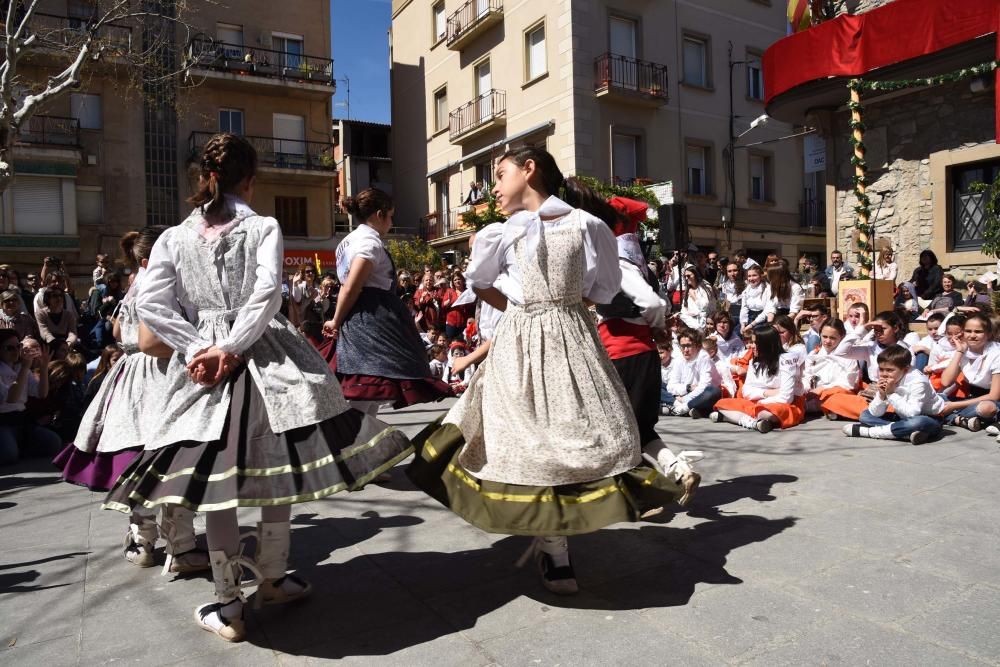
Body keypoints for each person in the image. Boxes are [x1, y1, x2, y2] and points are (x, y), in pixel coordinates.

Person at [104, 134, 412, 642]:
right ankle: (271, 576)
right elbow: (268, 293)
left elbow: (151, 306)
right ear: (250, 180)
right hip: (264, 356)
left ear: (205, 178)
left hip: (206, 362)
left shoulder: (172, 238)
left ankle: (229, 604)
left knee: (218, 484)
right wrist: (232, 345)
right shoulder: (263, 225)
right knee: (278, 467)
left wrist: (200, 347)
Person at [407, 146, 691, 595]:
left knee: (574, 434)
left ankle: (558, 537)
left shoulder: (588, 225)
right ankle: (555, 548)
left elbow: (604, 287)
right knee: (529, 441)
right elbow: (480, 283)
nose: (494, 188)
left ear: (529, 169)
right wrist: (524, 307)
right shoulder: (500, 233)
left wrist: (563, 311)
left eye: (500, 175)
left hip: (571, 341)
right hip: (519, 344)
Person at [324, 188, 452, 411]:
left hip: (358, 317)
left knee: (368, 388)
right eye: (391, 216)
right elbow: (352, 286)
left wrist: (339, 318)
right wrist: (335, 320)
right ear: (379, 214)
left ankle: (366, 440)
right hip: (371, 319)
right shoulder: (368, 243)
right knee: (367, 385)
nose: (391, 222)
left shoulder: (346, 242)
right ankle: (359, 440)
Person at [710, 324, 805, 432]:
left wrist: (760, 401)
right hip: (757, 402)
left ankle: (732, 417)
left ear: (767, 344)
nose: (751, 346)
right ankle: (754, 423)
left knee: (765, 413)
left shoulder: (787, 360)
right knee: (722, 403)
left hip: (782, 405)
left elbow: (786, 397)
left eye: (756, 343)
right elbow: (746, 391)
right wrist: (767, 393)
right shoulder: (753, 362)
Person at [842, 345, 944, 445]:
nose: (884, 374)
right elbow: (875, 413)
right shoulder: (888, 377)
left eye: (890, 370)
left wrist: (890, 394)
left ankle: (868, 432)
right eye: (881, 369)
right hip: (902, 417)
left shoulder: (919, 382)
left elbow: (912, 414)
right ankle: (904, 433)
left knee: (916, 422)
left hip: (929, 418)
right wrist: (881, 396)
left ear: (905, 369)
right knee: (865, 415)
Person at [0, 331, 60, 465]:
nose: (16, 351)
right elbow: (11, 398)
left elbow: (41, 393)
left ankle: (18, 447)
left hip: (21, 420)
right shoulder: (19, 369)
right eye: (10, 348)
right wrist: (24, 368)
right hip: (3, 423)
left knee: (53, 443)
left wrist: (44, 367)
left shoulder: (22, 369)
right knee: (8, 456)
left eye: (18, 346)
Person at [938, 313, 1000, 432]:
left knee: (987, 408)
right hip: (970, 400)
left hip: (991, 401)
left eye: (978, 331)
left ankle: (952, 418)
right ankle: (959, 419)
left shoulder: (996, 353)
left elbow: (994, 396)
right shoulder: (964, 350)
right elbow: (945, 381)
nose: (972, 335)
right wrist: (959, 352)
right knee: (937, 398)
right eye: (968, 331)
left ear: (988, 334)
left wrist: (953, 406)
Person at [803, 319, 860, 419]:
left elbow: (848, 384)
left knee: (835, 398)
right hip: (813, 396)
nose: (828, 341)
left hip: (833, 394)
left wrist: (823, 389)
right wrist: (807, 388)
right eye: (824, 336)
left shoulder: (849, 356)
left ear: (842, 337)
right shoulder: (814, 354)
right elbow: (806, 375)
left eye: (832, 338)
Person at [662, 328, 722, 419]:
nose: (685, 350)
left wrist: (685, 400)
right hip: (681, 397)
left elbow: (704, 387)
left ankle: (681, 409)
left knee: (713, 391)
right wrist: (688, 387)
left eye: (688, 346)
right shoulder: (679, 359)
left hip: (700, 398)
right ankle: (679, 407)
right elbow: (671, 387)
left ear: (697, 346)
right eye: (682, 346)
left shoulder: (704, 357)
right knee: (654, 384)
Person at [678, 266, 716, 331]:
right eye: (685, 276)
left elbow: (704, 307)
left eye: (688, 276)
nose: (686, 278)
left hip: (703, 324)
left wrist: (694, 297)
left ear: (696, 275)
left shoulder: (705, 287)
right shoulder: (688, 290)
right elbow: (683, 310)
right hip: (691, 324)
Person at [739, 265, 767, 334]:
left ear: (760, 276)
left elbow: (766, 311)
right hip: (750, 318)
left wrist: (751, 325)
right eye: (749, 276)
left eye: (754, 275)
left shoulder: (767, 289)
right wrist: (743, 324)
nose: (751, 278)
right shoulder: (746, 290)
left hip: (762, 320)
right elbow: (744, 308)